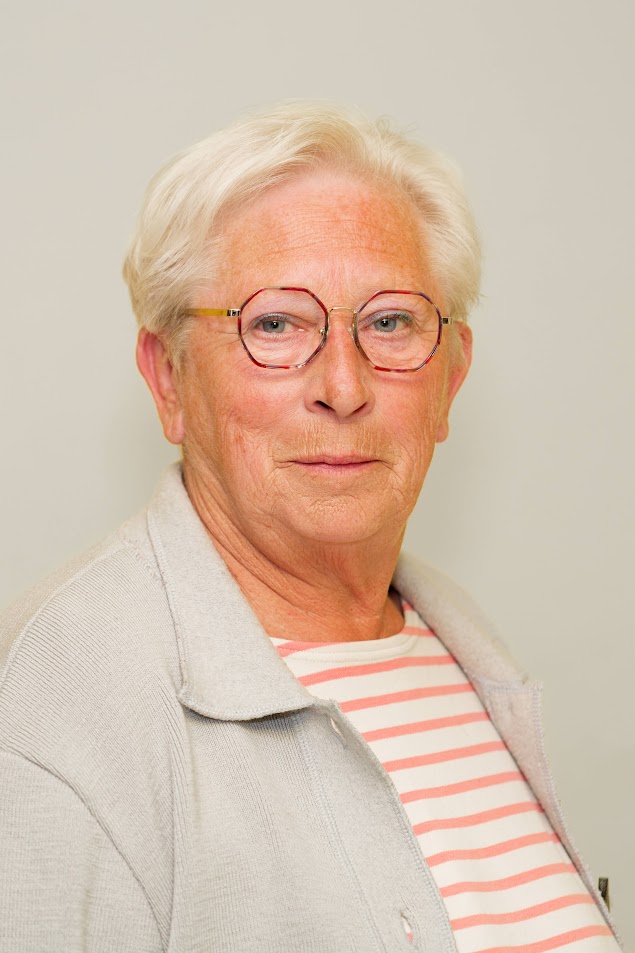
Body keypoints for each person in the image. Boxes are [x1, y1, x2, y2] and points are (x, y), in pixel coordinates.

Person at [0, 102, 622, 953]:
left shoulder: (454, 640)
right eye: (275, 324)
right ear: (168, 378)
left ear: (449, 379)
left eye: (389, 322)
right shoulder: (63, 703)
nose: (343, 386)